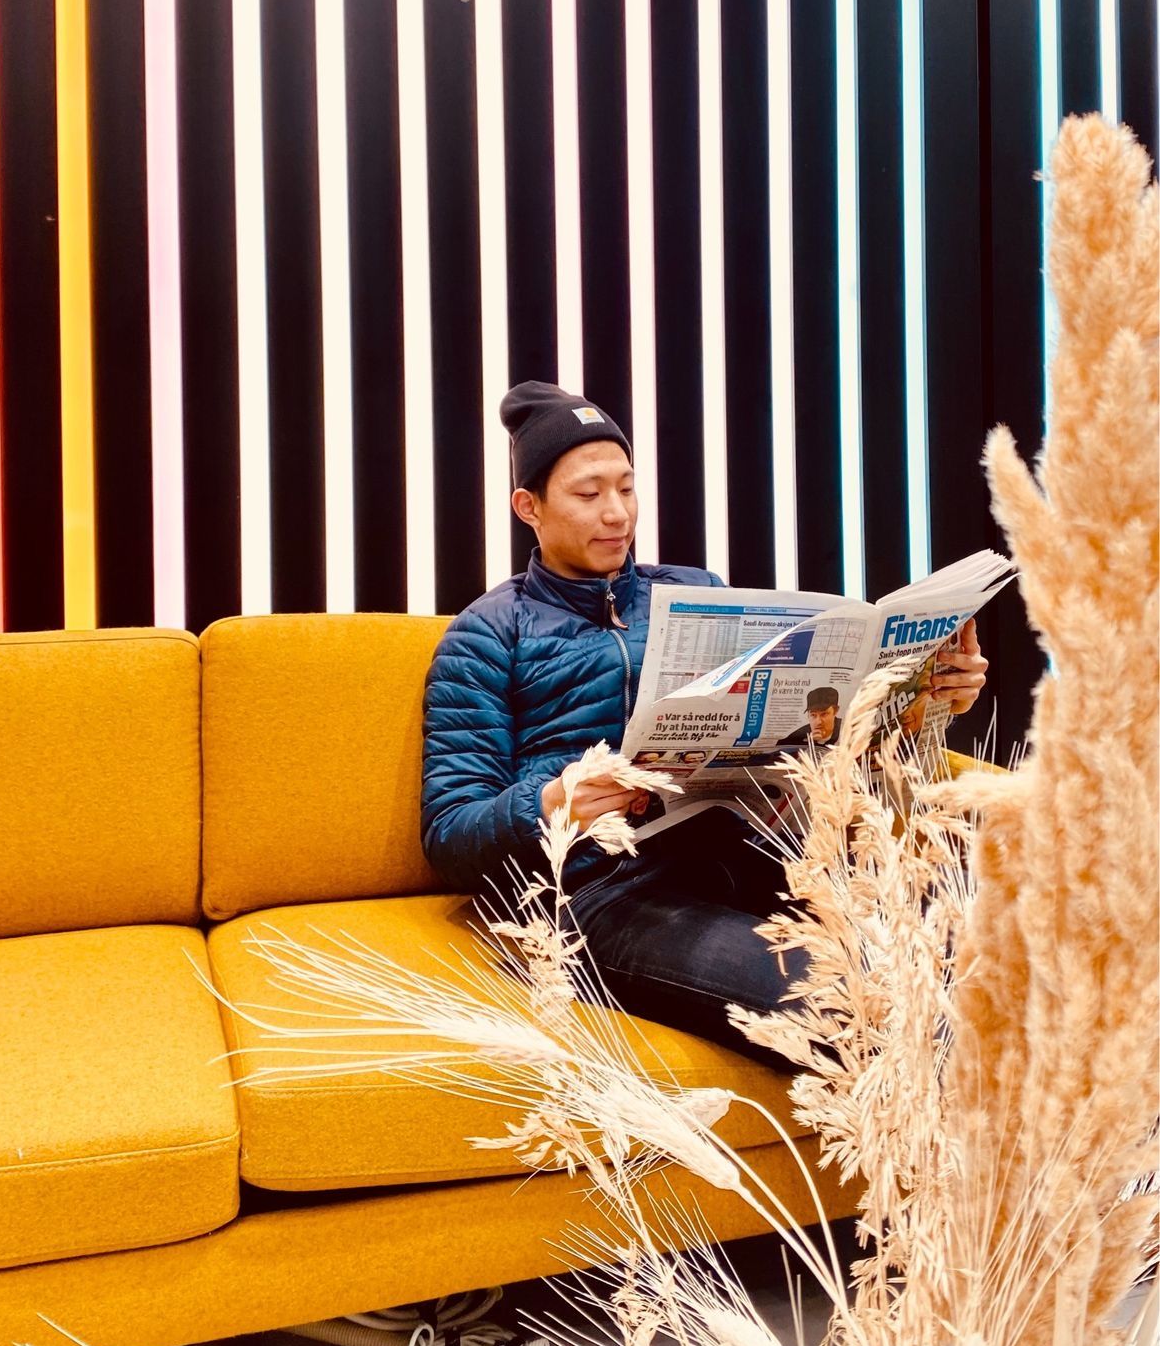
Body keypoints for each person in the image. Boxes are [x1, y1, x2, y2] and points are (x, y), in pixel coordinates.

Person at [421, 382, 989, 1054]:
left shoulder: (696, 593)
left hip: (746, 854)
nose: (616, 513)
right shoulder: (487, 635)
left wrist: (923, 698)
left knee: (976, 956)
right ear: (529, 507)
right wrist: (551, 802)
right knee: (851, 1003)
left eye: (626, 488)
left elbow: (809, 734)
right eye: (588, 494)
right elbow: (449, 834)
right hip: (600, 893)